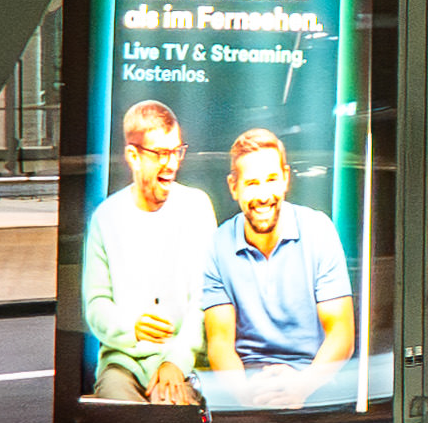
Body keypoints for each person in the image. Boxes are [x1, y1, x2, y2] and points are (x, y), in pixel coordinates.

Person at [196, 126, 356, 402]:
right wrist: (246, 398)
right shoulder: (218, 245)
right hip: (247, 382)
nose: (263, 195)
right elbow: (220, 343)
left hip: (314, 377)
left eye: (271, 180)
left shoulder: (319, 230)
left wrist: (301, 387)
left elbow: (341, 334)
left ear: (285, 179)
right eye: (252, 183)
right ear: (234, 187)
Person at [78, 100, 219, 401]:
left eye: (177, 151)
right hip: (122, 362)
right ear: (133, 156)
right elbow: (96, 304)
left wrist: (177, 361)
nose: (172, 164)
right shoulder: (106, 217)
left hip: (181, 361)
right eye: (161, 154)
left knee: (169, 407)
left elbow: (205, 299)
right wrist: (132, 329)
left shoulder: (197, 207)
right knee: (118, 412)